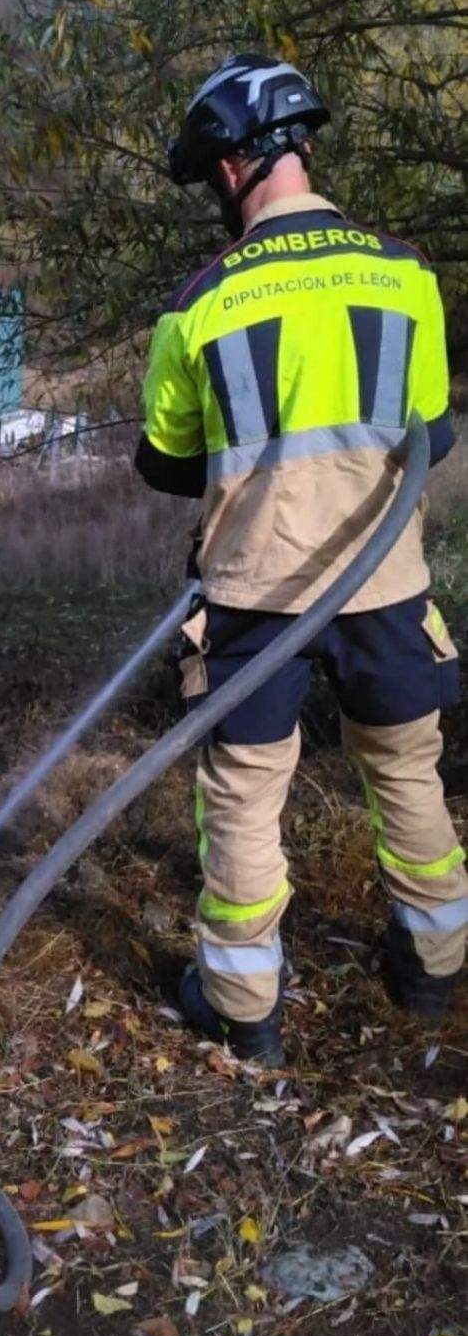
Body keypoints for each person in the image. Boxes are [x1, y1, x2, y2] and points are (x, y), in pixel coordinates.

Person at [135, 53, 465, 1065]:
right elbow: (432, 437)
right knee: (409, 771)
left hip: (256, 592)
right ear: (300, 150)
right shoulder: (407, 274)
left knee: (243, 789)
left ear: (234, 171)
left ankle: (244, 1010)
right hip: (386, 582)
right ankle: (433, 973)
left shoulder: (200, 306)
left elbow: (167, 464)